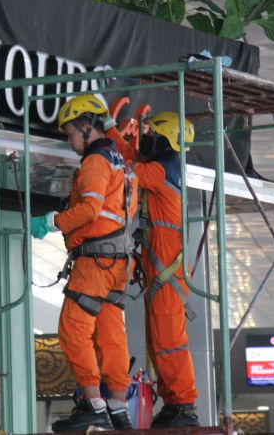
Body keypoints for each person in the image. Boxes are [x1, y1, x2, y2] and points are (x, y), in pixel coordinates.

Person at [30, 94, 136, 431]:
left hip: (97, 262)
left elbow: (90, 210)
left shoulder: (95, 163)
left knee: (73, 329)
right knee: (110, 334)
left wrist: (52, 221)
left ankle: (92, 403)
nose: (69, 139)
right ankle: (118, 406)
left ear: (87, 126)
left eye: (71, 132)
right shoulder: (119, 160)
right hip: (117, 262)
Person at [104, 110, 201, 427]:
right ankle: (176, 403)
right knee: (161, 340)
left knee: (169, 341)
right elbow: (133, 158)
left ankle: (183, 405)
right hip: (163, 273)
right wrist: (111, 132)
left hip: (167, 276)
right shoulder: (167, 167)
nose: (147, 139)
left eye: (153, 135)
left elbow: (128, 167)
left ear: (166, 141)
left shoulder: (161, 171)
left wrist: (109, 136)